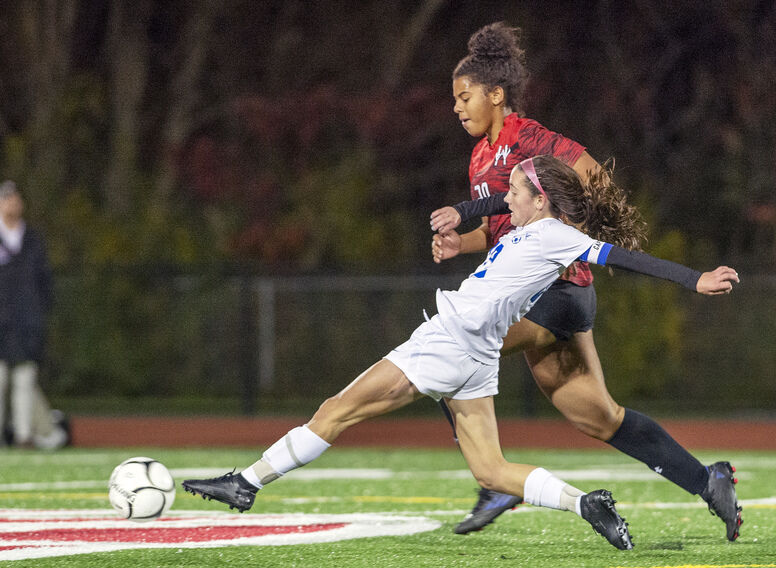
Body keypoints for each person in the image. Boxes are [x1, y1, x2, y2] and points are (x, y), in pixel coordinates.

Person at [183, 154, 739, 551]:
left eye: (516, 191)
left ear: (539, 199)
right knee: (493, 472)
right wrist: (462, 208)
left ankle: (247, 483)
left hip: (449, 342)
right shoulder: (530, 225)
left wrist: (695, 281)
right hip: (477, 356)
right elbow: (499, 200)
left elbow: (630, 258)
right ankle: (585, 504)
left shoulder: (556, 237)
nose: (506, 200)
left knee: (336, 410)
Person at [427, 22, 742, 540]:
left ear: (497, 94)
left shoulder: (529, 139)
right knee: (601, 417)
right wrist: (459, 243)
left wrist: (566, 235)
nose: (457, 107)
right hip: (547, 299)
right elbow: (495, 228)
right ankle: (707, 480)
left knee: (449, 353)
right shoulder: (481, 156)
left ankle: (496, 482)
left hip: (554, 292)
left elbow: (592, 178)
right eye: (454, 100)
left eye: (465, 97)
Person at [0, 180, 63, 449]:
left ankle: (23, 437)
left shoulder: (33, 239)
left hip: (26, 324)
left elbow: (44, 283)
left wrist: (37, 314)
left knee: (25, 380)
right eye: (6, 199)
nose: (11, 203)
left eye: (15, 198)